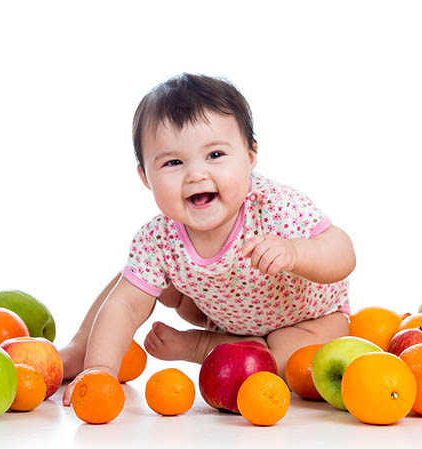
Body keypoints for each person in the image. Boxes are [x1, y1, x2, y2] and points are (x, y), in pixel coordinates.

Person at [60, 73, 356, 404]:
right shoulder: (159, 237)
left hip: (309, 319)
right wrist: (101, 370)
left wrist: (295, 252)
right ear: (145, 176)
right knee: (133, 281)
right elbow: (125, 305)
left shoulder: (275, 207)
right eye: (173, 162)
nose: (197, 174)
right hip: (223, 311)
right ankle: (81, 349)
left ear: (250, 156)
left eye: (215, 155)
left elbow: (342, 253)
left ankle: (201, 347)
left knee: (292, 364)